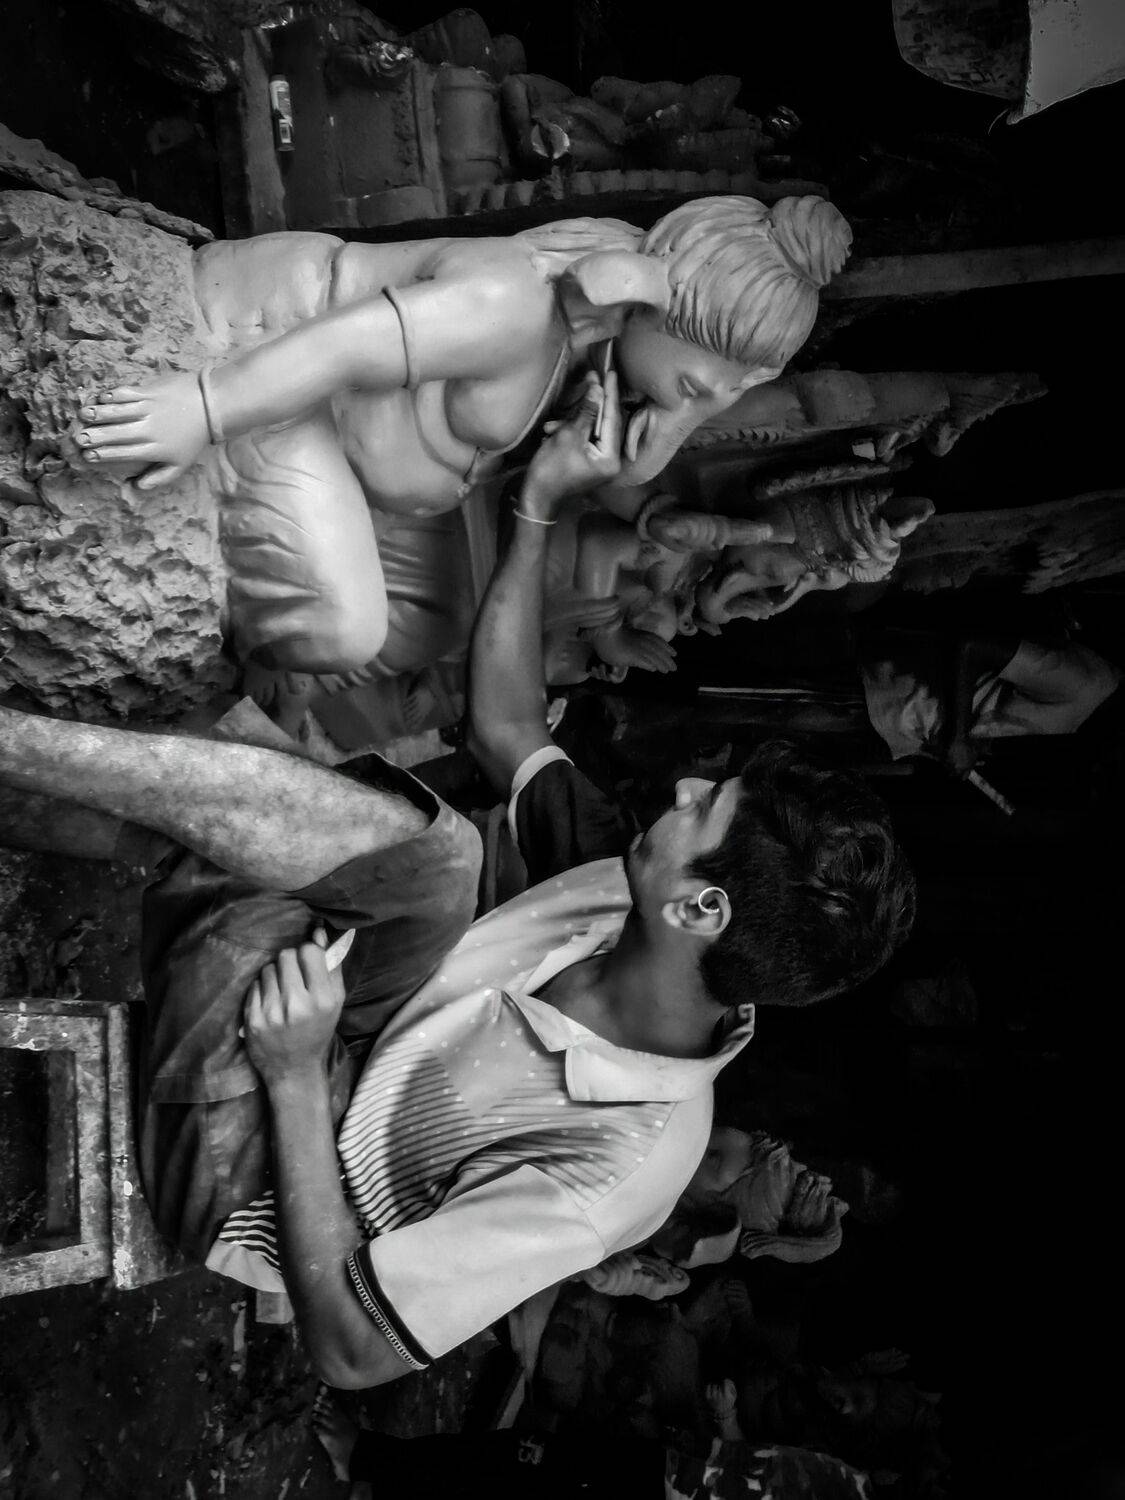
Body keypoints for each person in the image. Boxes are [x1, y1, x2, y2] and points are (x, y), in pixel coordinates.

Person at [0, 378, 913, 1389]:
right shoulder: (629, 896)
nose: (686, 786)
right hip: (353, 1019)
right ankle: (53, 753)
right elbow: (507, 723)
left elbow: (350, 1351)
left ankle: (47, 742)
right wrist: (539, 504)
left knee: (258, 813)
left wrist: (296, 1076)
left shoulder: (620, 1169)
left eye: (708, 807)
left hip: (255, 1173)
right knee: (430, 854)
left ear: (701, 908)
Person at [69, 196, 851, 686]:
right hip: (280, 387)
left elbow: (633, 464)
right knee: (345, 629)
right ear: (655, 302)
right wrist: (203, 406)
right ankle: (226, 617)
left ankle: (263, 644)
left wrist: (675, 415)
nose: (707, 400)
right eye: (701, 383)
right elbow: (342, 349)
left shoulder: (604, 344)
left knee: (434, 620)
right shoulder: (512, 300)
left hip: (358, 452)